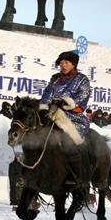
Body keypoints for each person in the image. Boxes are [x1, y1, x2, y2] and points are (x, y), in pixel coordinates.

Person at [40, 50, 91, 186]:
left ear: (73, 64)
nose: (63, 65)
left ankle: (77, 176)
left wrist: (66, 102)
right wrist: (44, 108)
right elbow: (47, 94)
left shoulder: (82, 80)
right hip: (52, 115)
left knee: (69, 142)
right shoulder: (55, 78)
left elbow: (82, 97)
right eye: (61, 62)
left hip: (73, 117)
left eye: (66, 62)